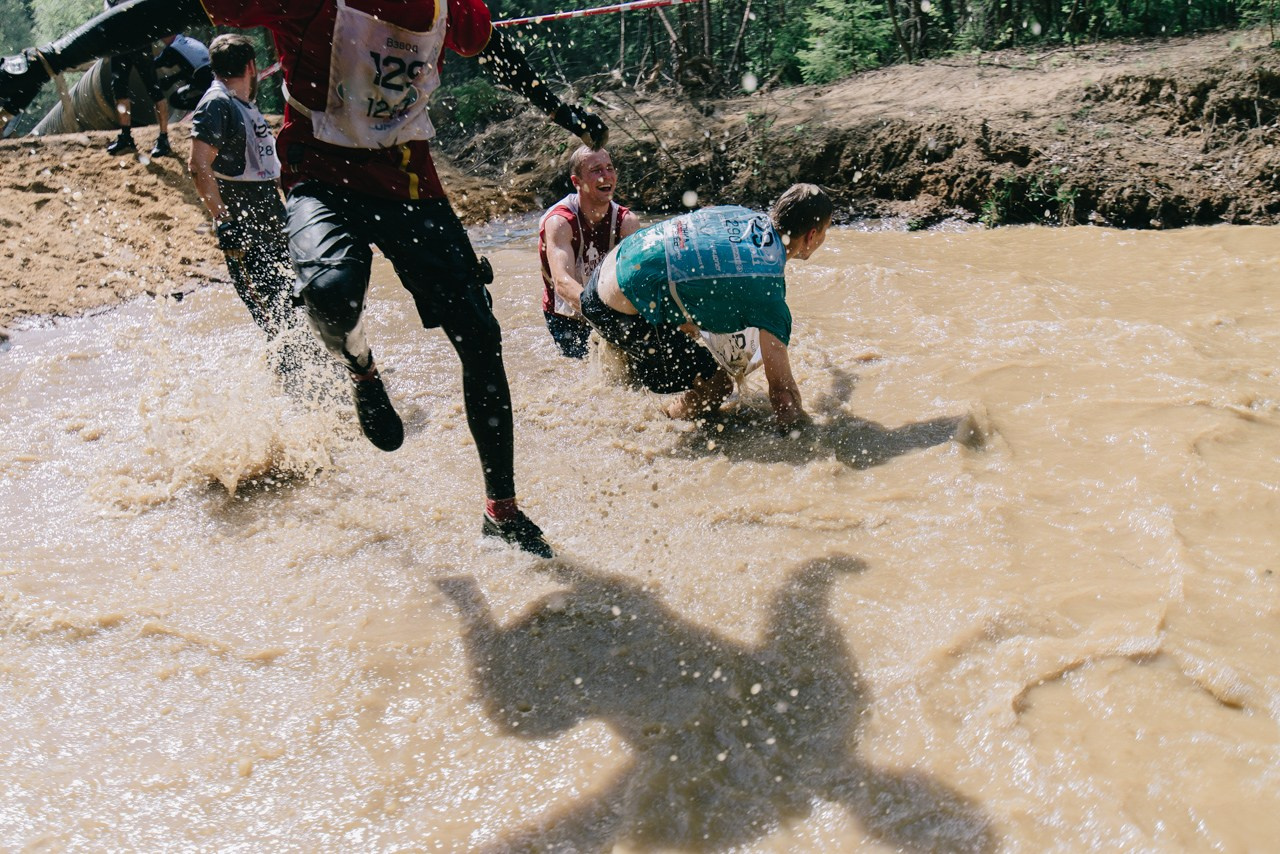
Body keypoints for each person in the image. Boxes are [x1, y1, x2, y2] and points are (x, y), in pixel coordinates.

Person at [0, 0, 611, 558]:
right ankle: (361, 366)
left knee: (481, 336)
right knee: (327, 295)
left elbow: (494, 49)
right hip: (321, 180)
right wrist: (45, 60)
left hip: (411, 185)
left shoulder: (453, 5)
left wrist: (564, 111)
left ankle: (500, 510)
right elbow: (167, 7)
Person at [579, 184, 833, 430]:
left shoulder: (741, 214)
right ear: (811, 236)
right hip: (611, 310)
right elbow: (782, 396)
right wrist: (805, 436)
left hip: (608, 269)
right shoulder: (768, 294)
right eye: (825, 231)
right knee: (717, 387)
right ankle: (660, 422)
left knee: (692, 325)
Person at [188, 33, 293, 344]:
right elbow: (198, 165)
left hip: (275, 226)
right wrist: (224, 221)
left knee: (300, 312)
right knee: (278, 325)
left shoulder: (244, 105)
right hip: (245, 234)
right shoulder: (217, 104)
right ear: (252, 66)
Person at [537, 145, 640, 358]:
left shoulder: (626, 222)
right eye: (596, 170)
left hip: (610, 311)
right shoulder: (560, 222)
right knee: (582, 372)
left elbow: (637, 277)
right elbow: (562, 282)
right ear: (577, 182)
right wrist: (600, 314)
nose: (606, 176)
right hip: (567, 316)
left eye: (609, 168)